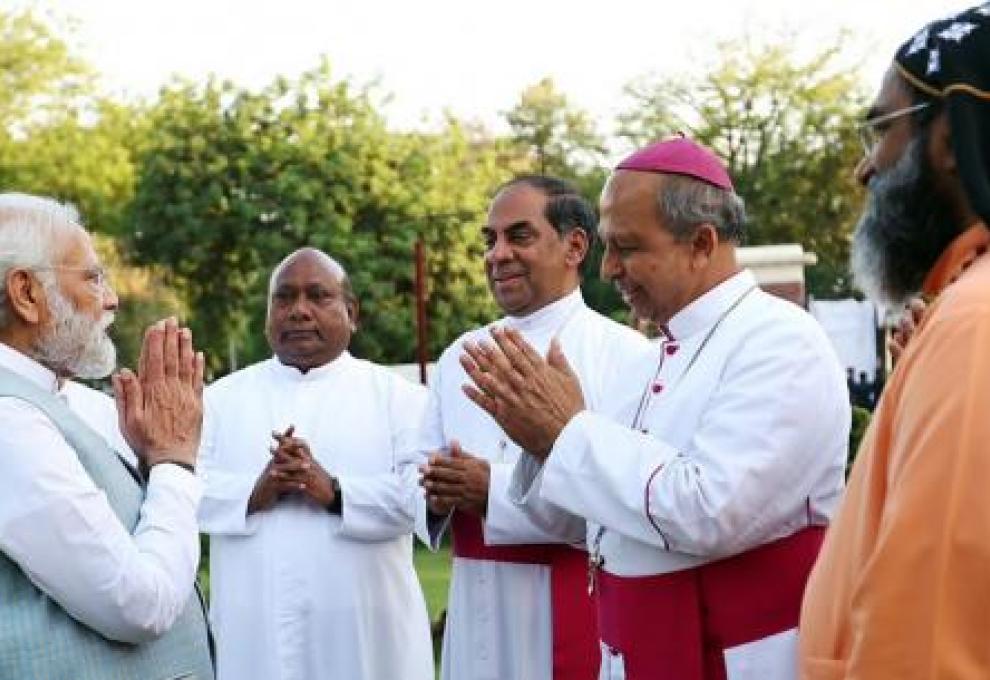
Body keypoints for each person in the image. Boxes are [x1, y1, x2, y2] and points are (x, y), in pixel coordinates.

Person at [460, 139, 849, 680]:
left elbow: (711, 510)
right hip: (638, 648)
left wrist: (566, 433)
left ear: (701, 243)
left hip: (740, 654)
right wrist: (540, 443)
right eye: (605, 246)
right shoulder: (644, 363)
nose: (610, 268)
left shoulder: (782, 341)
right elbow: (591, 523)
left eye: (627, 247)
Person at [800, 6, 990, 679]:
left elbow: (931, 640)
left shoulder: (974, 326)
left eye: (882, 128)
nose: (865, 169)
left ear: (947, 141)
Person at [418, 175, 650, 680]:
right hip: (474, 596)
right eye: (490, 239)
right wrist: (434, 494)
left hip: (572, 598)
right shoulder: (459, 356)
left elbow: (630, 498)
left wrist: (492, 491)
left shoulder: (627, 356)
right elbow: (417, 474)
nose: (496, 255)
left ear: (574, 246)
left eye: (518, 236)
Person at [0, 193, 213, 679]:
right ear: (27, 295)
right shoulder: (9, 419)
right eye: (93, 278)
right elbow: (138, 604)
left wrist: (145, 468)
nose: (112, 298)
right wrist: (173, 462)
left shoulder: (47, 401)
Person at [198, 248, 433, 680]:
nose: (299, 311)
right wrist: (256, 490)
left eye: (317, 296)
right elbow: (182, 491)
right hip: (254, 635)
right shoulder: (219, 400)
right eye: (283, 298)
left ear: (351, 311)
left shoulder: (402, 400)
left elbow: (421, 502)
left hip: (364, 636)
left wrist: (335, 492)